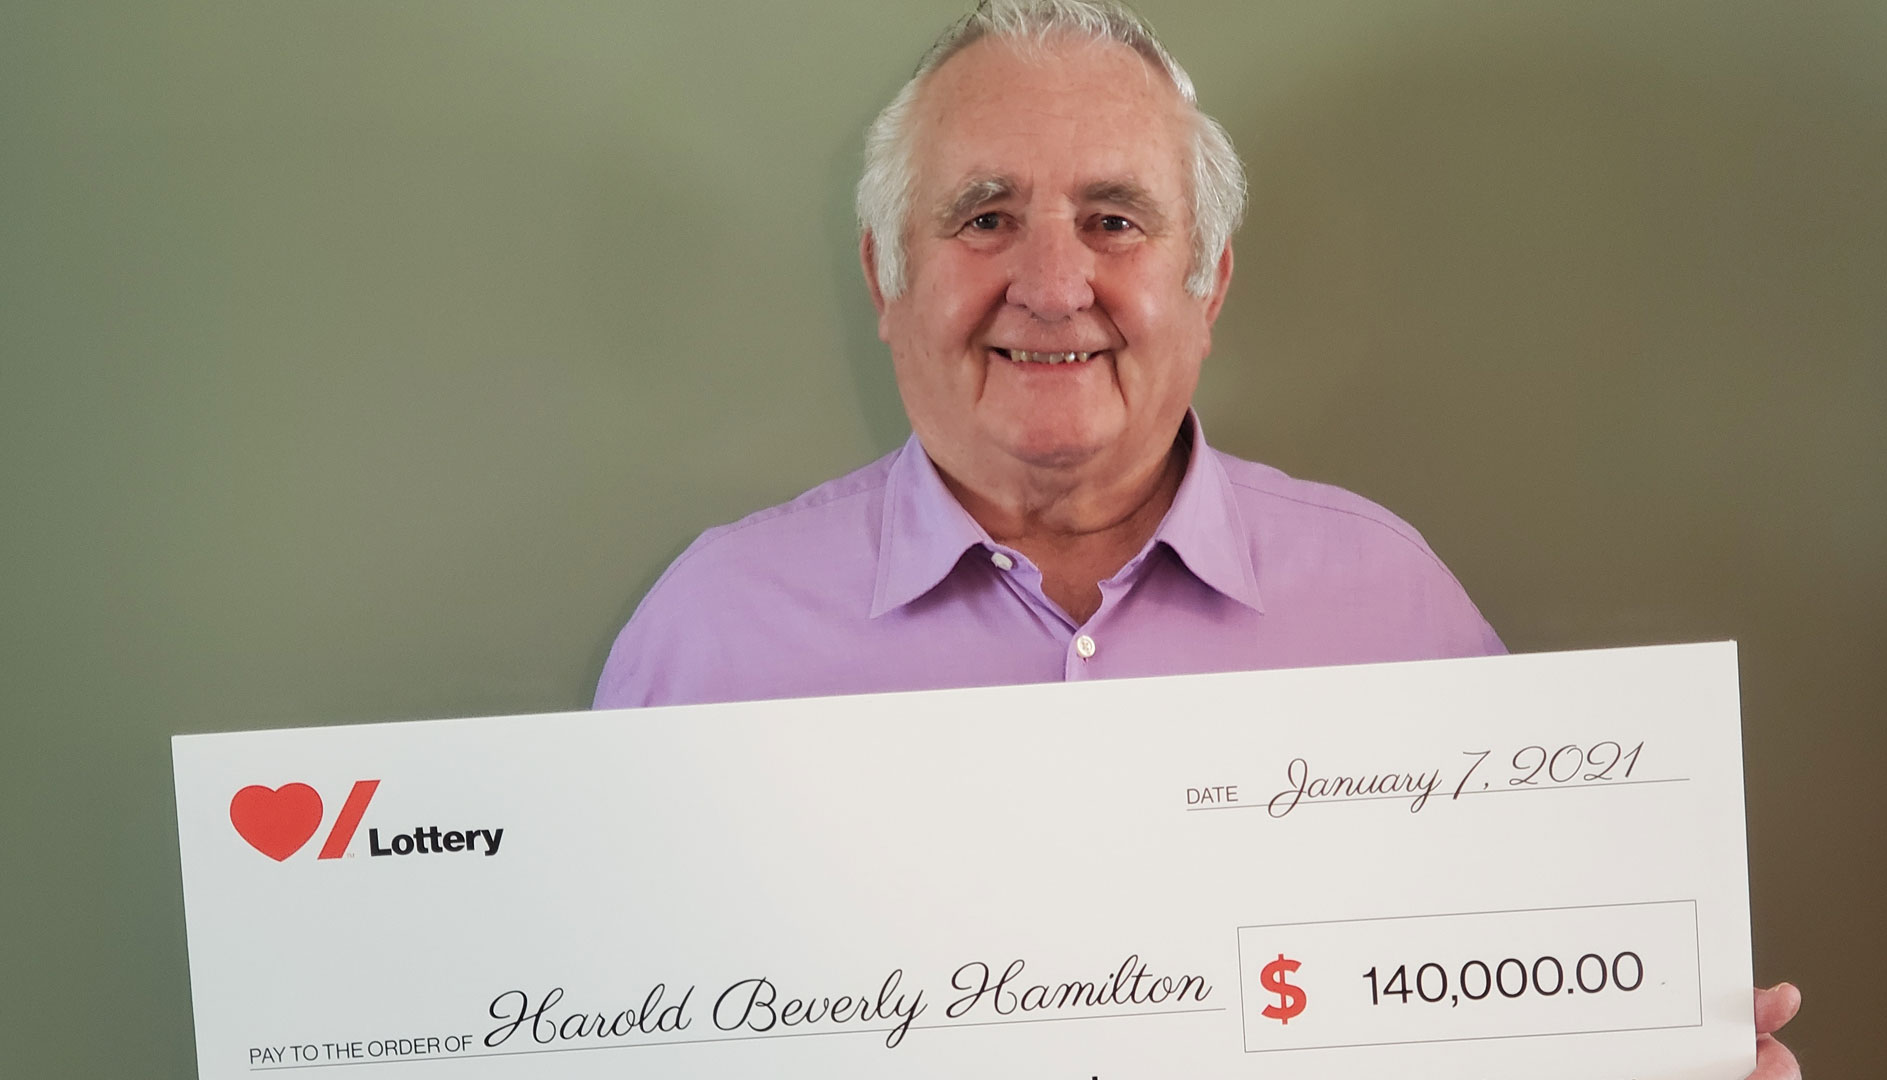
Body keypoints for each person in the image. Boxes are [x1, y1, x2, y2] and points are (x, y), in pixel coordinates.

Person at [593, 1, 1800, 1072]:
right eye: (984, 217)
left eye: (1115, 220)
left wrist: (1656, 1054)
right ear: (884, 275)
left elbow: (1514, 1012)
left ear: (1210, 279)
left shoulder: (1393, 606)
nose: (1054, 283)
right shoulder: (712, 636)